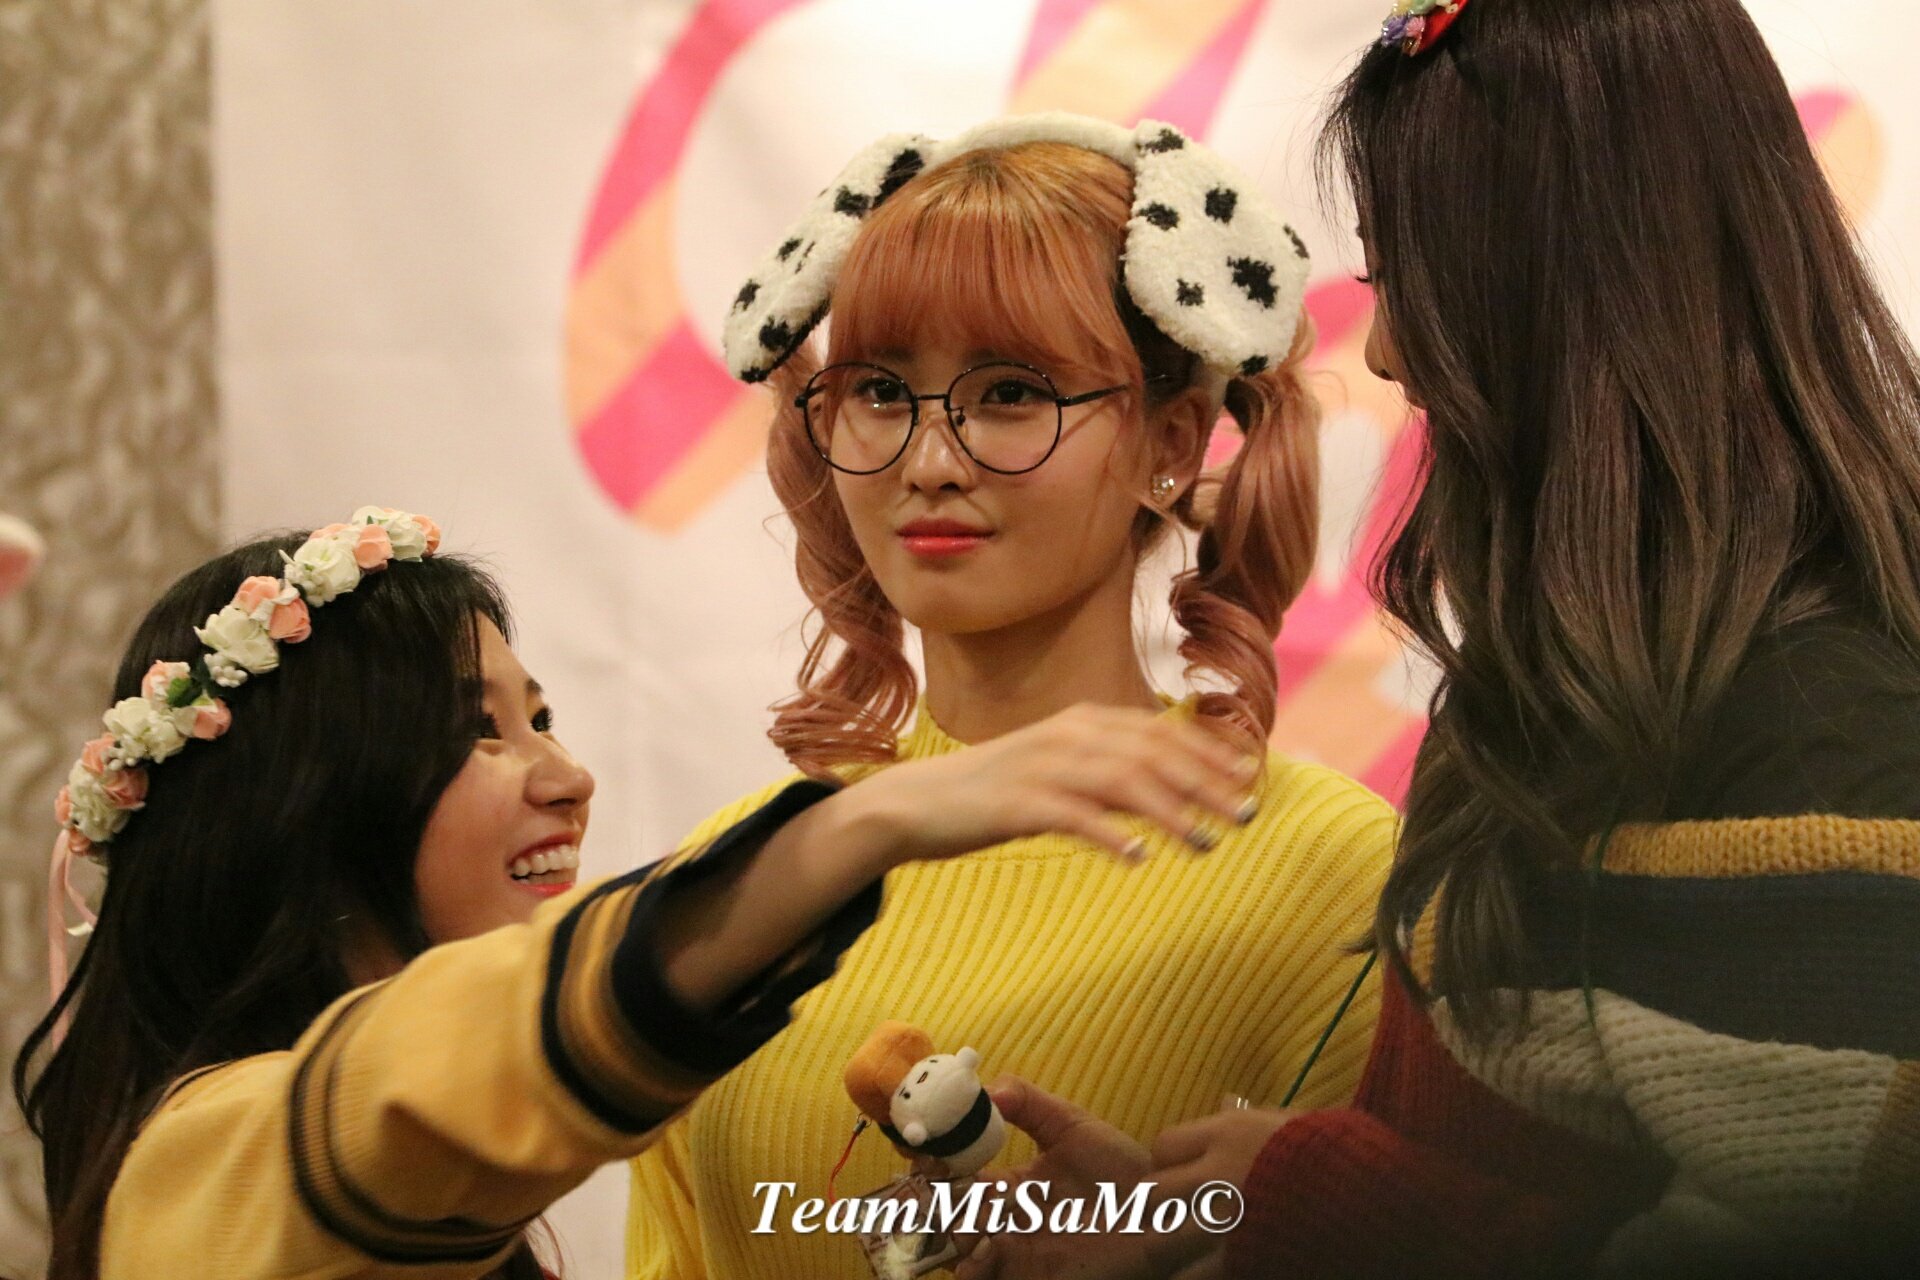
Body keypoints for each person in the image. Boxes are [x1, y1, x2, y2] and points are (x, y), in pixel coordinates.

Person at [957, 2, 1920, 1276]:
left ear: (1577, 287)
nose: (1389, 349)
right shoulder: (1561, 692)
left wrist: (1313, 1197)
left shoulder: (1830, 726)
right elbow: (1519, 1165)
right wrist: (1230, 1213)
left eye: (1416, 276)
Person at [13, 507, 1255, 1280]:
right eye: (479, 731)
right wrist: (860, 825)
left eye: (542, 716)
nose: (569, 776)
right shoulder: (200, 1169)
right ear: (310, 812)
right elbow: (438, 1072)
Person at [625, 113, 1399, 1279]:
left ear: (1171, 442)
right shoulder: (732, 877)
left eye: (1012, 393)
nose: (931, 460)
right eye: (880, 390)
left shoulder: (1330, 870)